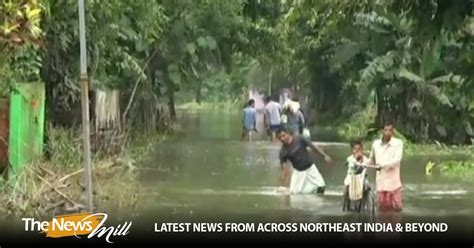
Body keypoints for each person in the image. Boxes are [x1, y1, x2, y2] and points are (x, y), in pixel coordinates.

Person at [277, 128, 333, 194]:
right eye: (280, 138)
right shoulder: (283, 151)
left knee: (321, 187)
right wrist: (284, 184)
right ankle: (284, 190)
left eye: (283, 136)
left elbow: (313, 147)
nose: (282, 139)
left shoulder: (299, 139)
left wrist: (324, 156)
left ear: (288, 133)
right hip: (298, 172)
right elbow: (284, 169)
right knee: (295, 194)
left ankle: (316, 201)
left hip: (310, 168)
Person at [369, 121, 404, 212]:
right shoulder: (376, 144)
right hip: (381, 184)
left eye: (390, 130)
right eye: (386, 130)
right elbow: (371, 160)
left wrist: (383, 165)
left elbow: (397, 160)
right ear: (381, 131)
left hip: (394, 184)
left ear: (393, 131)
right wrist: (359, 162)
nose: (388, 132)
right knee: (381, 210)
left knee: (396, 210)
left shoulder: (398, 143)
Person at [343, 140, 370, 208]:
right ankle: (347, 202)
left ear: (362, 149)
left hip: (361, 177)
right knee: (346, 186)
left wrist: (362, 163)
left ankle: (364, 202)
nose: (357, 151)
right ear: (352, 150)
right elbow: (351, 163)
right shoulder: (350, 158)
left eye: (359, 149)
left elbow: (364, 168)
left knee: (367, 186)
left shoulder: (366, 159)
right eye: (355, 149)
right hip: (351, 177)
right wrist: (355, 159)